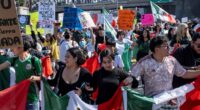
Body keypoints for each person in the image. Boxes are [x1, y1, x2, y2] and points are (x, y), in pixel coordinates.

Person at [131, 37, 200, 109]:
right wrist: (130, 79)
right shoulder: (144, 62)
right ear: (157, 49)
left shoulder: (172, 60)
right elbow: (132, 75)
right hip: (153, 103)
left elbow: (185, 74)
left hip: (169, 102)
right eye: (165, 46)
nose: (168, 48)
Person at [0, 36, 42, 110]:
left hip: (32, 99)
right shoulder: (14, 60)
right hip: (19, 97)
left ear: (21, 47)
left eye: (14, 46)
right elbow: (1, 67)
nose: (12, 49)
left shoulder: (34, 60)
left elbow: (42, 78)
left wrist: (35, 78)